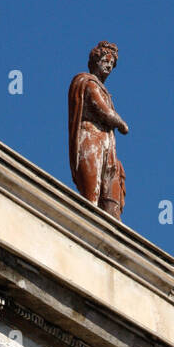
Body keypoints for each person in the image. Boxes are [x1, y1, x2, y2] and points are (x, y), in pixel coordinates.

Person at [68, 42, 129, 219]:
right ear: (96, 61)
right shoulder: (87, 82)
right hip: (90, 138)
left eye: (112, 63)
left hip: (106, 143)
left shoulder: (104, 90)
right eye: (105, 61)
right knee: (91, 193)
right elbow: (102, 109)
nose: (109, 66)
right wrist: (121, 122)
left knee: (108, 190)